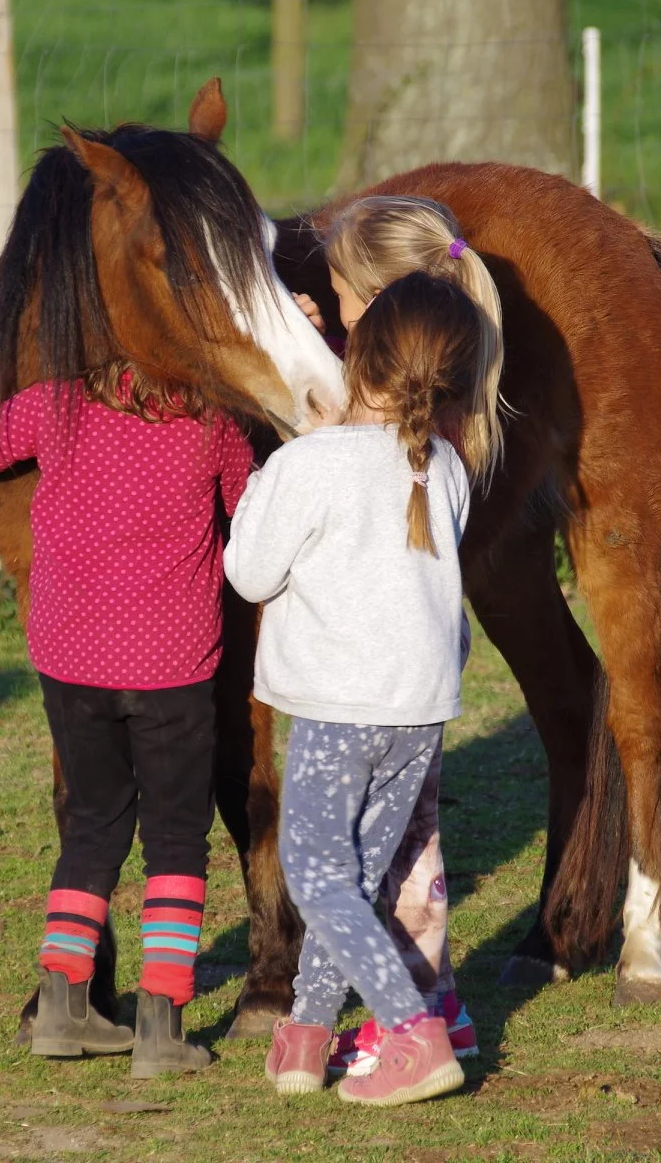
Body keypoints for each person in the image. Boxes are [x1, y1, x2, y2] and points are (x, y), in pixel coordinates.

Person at [0, 338, 251, 1081]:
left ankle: (63, 1002)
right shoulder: (213, 423)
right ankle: (161, 1022)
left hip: (71, 658)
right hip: (173, 664)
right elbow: (255, 513)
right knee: (177, 840)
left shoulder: (58, 403)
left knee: (90, 827)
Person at [227, 271, 492, 1106]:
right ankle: (304, 1039)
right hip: (419, 712)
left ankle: (414, 1034)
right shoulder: (443, 465)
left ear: (359, 358)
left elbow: (248, 572)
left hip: (341, 710)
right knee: (355, 881)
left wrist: (268, 474)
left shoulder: (311, 465)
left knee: (317, 876)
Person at [288, 195, 504, 1078]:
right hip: (422, 670)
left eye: (341, 299)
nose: (335, 312)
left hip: (364, 675)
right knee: (410, 844)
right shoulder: (448, 392)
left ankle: (406, 1017)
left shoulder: (394, 425)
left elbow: (343, 463)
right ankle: (437, 1005)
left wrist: (319, 394)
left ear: (379, 308)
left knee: (362, 863)